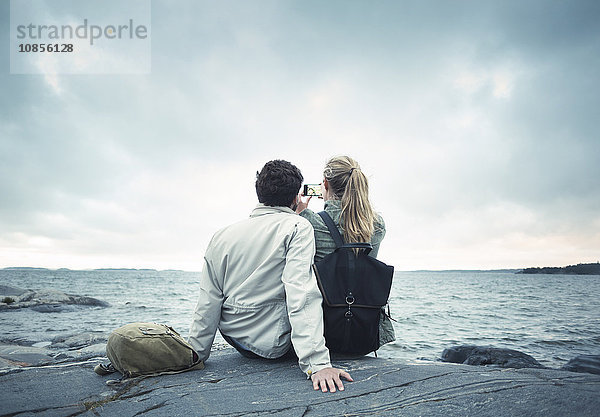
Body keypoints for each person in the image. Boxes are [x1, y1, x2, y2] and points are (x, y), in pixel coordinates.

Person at [188, 160, 352, 393]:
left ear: (259, 193)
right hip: (274, 346)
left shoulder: (222, 235)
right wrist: (317, 364)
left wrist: (197, 353)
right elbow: (301, 292)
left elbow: (208, 300)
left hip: (236, 340)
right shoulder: (298, 227)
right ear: (296, 196)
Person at [296, 155, 395, 348]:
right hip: (364, 332)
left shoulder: (309, 222)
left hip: (322, 330)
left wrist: (299, 213)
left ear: (325, 183)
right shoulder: (377, 224)